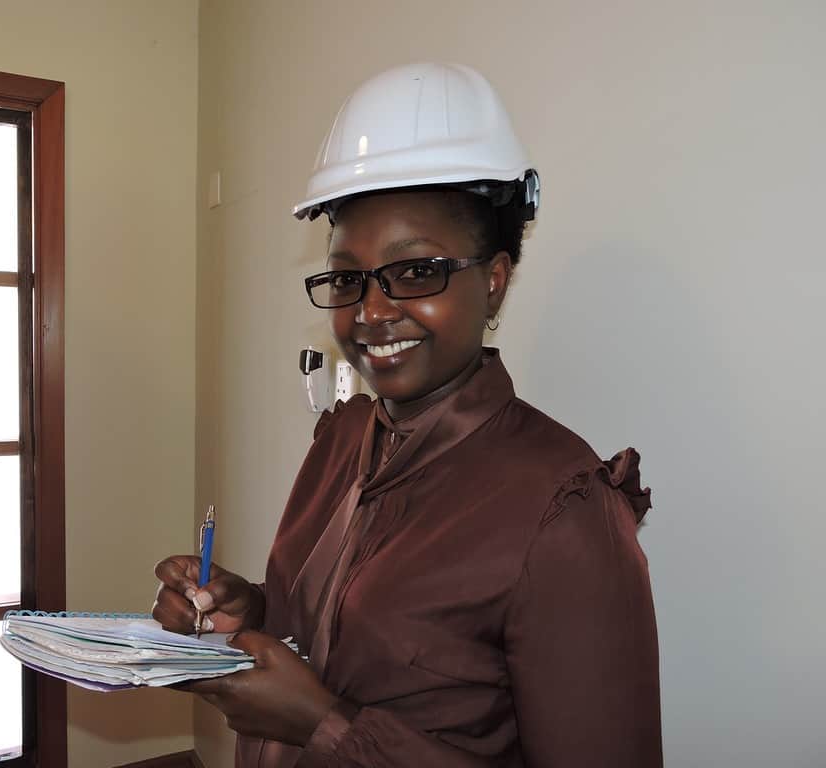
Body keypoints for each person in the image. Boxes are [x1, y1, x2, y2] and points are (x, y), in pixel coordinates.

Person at [154, 62, 661, 767]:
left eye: (416, 269)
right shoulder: (344, 438)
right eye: (347, 278)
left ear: (494, 279)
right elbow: (353, 636)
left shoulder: (565, 514)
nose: (371, 311)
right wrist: (253, 612)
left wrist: (327, 726)